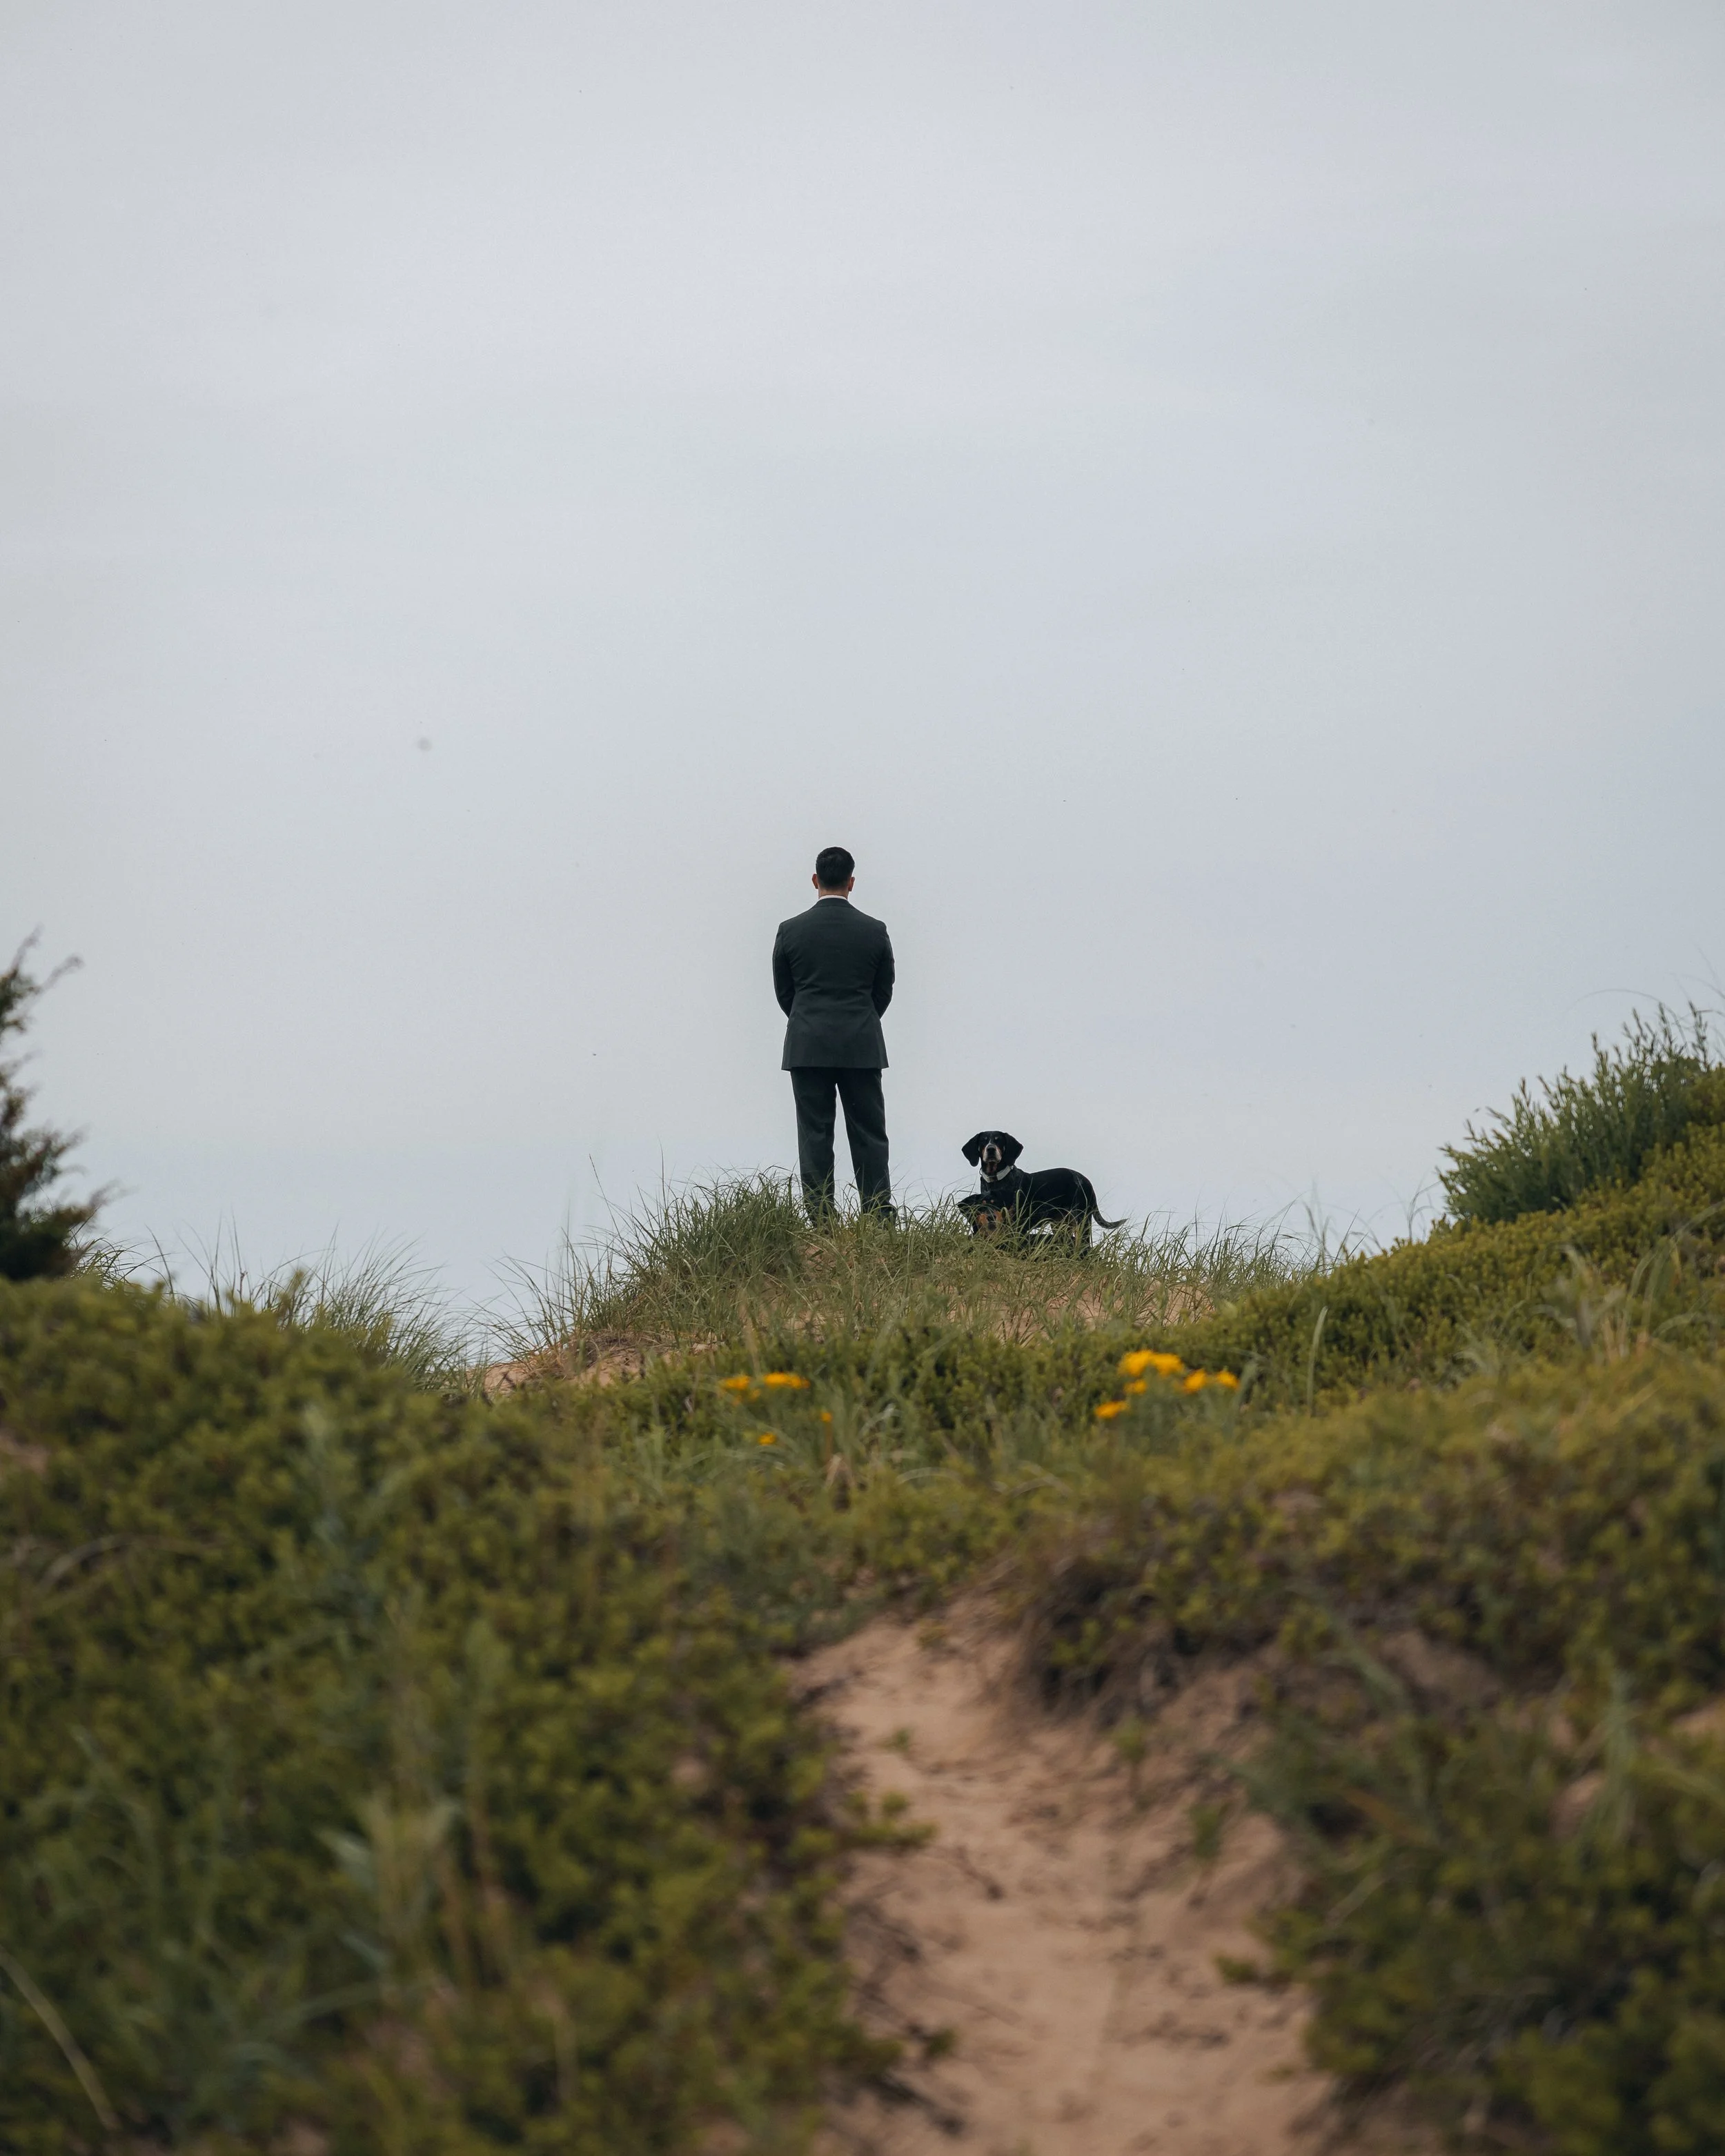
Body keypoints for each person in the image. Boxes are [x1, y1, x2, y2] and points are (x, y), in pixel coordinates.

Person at [771, 846, 895, 1220]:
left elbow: (785, 993)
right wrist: (861, 1019)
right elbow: (883, 991)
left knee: (814, 1136)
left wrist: (809, 1020)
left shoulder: (790, 930)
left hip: (808, 1046)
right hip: (861, 1045)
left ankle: (821, 1221)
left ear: (815, 880)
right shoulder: (875, 931)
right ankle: (877, 1218)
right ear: (851, 882)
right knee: (869, 1136)